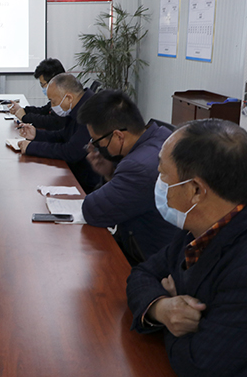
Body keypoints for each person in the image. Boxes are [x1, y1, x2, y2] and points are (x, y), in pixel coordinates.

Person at [126, 119, 247, 377]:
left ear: (196, 190)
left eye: (163, 174)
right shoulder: (205, 222)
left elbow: (199, 367)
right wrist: (163, 308)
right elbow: (142, 273)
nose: (158, 182)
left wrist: (174, 315)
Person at [77, 90, 180, 264]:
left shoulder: (137, 167)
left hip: (150, 260)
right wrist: (109, 173)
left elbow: (93, 211)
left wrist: (112, 171)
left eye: (97, 142)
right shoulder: (162, 135)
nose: (95, 147)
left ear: (118, 136)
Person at [17, 73, 100, 193]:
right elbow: (64, 135)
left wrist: (32, 147)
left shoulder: (90, 112)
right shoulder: (79, 104)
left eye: (53, 102)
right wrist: (36, 135)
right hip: (76, 172)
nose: (52, 106)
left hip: (85, 183)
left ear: (68, 98)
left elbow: (71, 152)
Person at [8, 58, 65, 131]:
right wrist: (22, 110)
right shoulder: (57, 97)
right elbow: (43, 111)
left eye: (43, 84)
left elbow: (52, 121)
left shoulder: (66, 99)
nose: (43, 88)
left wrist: (25, 117)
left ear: (53, 82)